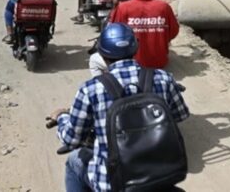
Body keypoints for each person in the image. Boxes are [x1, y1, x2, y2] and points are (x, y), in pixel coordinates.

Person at [52, 23, 189, 192]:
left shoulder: (90, 90)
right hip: (160, 175)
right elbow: (179, 114)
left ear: (101, 54)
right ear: (136, 48)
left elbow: (71, 139)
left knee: (74, 160)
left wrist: (61, 118)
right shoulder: (163, 78)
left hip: (112, 184)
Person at [106, 0, 179, 69]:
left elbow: (114, 34)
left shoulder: (123, 7)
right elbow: (173, 32)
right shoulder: (164, 7)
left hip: (132, 65)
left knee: (95, 60)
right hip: (159, 63)